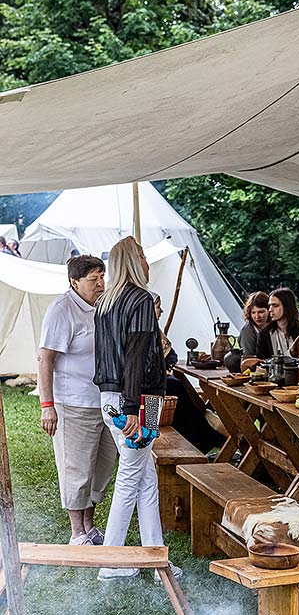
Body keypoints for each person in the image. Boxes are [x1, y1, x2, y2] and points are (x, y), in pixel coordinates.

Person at [93, 236, 181, 581]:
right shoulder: (142, 299)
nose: (147, 261)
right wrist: (133, 407)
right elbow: (136, 354)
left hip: (111, 398)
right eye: (143, 255)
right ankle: (111, 563)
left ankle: (155, 561)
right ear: (133, 261)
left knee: (145, 479)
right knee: (132, 478)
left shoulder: (105, 302)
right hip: (139, 400)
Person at [38, 255, 117, 545]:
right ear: (75, 281)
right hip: (73, 403)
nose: (100, 283)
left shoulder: (101, 307)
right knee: (77, 468)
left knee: (101, 466)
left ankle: (89, 526)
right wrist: (48, 407)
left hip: (104, 401)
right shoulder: (61, 310)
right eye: (93, 279)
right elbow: (45, 359)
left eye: (101, 277)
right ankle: (76, 533)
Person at [153, 293, 225, 453]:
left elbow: (171, 357)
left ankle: (203, 437)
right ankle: (205, 437)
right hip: (143, 399)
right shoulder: (141, 331)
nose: (162, 311)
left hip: (149, 392)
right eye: (158, 307)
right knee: (175, 388)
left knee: (176, 389)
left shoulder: (151, 330)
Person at [256, 287, 299, 359]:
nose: (270, 310)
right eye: (269, 306)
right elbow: (261, 361)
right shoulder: (264, 334)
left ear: (287, 306)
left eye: (275, 305)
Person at [239, 291, 269, 356]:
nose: (257, 316)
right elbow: (248, 357)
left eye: (261, 312)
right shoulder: (247, 331)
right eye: (253, 312)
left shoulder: (273, 326)